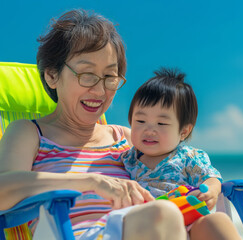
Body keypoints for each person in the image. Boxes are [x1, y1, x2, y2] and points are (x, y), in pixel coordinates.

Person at [0, 9, 187, 240]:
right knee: (162, 214)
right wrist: (91, 182)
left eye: (110, 77)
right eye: (87, 75)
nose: (99, 91)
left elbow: (176, 174)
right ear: (51, 76)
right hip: (72, 234)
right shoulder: (29, 133)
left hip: (134, 229)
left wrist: (208, 185)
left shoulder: (127, 139)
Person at [122, 67, 242, 240]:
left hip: (188, 224)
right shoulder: (128, 159)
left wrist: (210, 191)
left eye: (161, 123)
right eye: (140, 121)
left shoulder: (188, 157)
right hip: (146, 229)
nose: (149, 130)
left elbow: (211, 176)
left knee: (217, 220)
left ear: (183, 131)